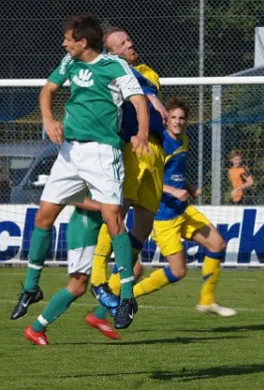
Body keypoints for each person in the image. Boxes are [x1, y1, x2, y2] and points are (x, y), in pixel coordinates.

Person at [10, 13, 150, 344]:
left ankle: (126, 295)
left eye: (68, 38)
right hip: (70, 152)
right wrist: (48, 119)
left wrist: (142, 132)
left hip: (103, 153)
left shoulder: (115, 68)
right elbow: (47, 91)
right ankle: (31, 286)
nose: (64, 43)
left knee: (113, 217)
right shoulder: (68, 62)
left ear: (83, 42)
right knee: (44, 214)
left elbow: (139, 102)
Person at [89, 98, 237, 325]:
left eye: (182, 118)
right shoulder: (160, 142)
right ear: (165, 119)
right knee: (178, 271)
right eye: (174, 118)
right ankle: (122, 298)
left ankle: (207, 300)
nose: (177, 122)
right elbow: (154, 177)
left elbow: (171, 174)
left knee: (217, 244)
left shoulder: (184, 140)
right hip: (163, 215)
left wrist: (187, 187)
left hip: (183, 210)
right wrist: (173, 191)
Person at [88, 27, 168, 310]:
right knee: (117, 213)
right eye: (122, 43)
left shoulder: (149, 72)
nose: (130, 43)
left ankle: (113, 282)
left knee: (144, 224)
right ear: (111, 52)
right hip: (131, 147)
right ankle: (97, 277)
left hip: (155, 151)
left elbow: (146, 89)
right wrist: (150, 96)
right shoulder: (109, 69)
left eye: (129, 39)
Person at [23, 196, 121, 345]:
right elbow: (74, 197)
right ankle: (36, 329)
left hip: (107, 226)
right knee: (78, 285)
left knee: (134, 267)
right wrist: (103, 208)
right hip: (86, 231)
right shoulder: (87, 173)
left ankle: (100, 315)